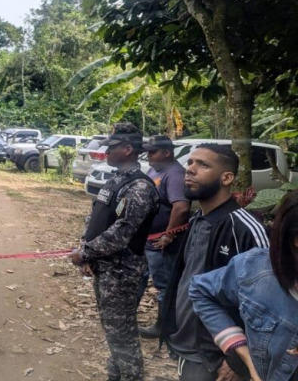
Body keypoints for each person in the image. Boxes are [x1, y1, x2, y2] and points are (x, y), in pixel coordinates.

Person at [159, 143, 269, 381]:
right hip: (188, 347)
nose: (190, 169)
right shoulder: (197, 220)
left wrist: (238, 360)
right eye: (190, 162)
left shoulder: (245, 228)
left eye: (203, 164)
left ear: (227, 177)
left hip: (220, 357)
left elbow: (268, 301)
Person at [71, 123, 159, 381]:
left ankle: (131, 377)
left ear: (128, 149)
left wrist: (86, 253)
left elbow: (122, 232)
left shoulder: (140, 187)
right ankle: (115, 375)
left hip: (122, 273)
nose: (106, 152)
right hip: (106, 268)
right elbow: (96, 218)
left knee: (123, 334)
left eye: (112, 147)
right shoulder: (116, 180)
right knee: (113, 331)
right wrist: (86, 252)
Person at [189, 190, 298, 381]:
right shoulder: (256, 269)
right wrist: (243, 358)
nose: (191, 171)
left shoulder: (247, 227)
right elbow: (201, 289)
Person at [137, 136, 190, 338]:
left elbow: (181, 208)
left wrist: (168, 235)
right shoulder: (156, 170)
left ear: (166, 153)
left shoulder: (175, 174)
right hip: (147, 239)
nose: (148, 155)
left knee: (164, 285)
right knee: (142, 277)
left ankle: (164, 327)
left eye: (153, 152)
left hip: (161, 242)